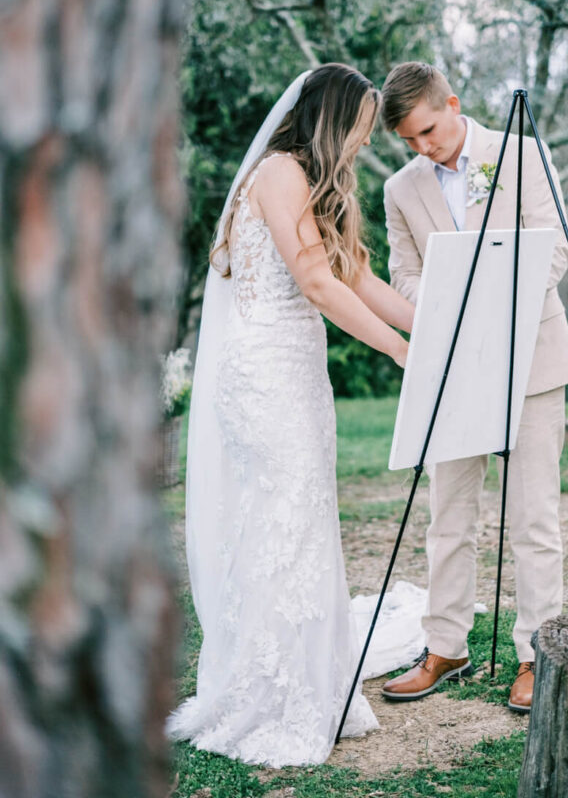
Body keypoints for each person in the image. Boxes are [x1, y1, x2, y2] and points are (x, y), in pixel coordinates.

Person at [165, 64, 415, 767]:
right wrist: (399, 352)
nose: (364, 146)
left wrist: (431, 326)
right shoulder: (279, 173)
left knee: (303, 519)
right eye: (361, 131)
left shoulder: (313, 184)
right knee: (284, 521)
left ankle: (308, 684)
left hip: (297, 371)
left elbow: (356, 275)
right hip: (263, 373)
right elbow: (312, 279)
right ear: (333, 121)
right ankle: (270, 696)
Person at [378, 62, 568, 712]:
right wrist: (444, 306)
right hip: (453, 368)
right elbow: (403, 271)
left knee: (534, 518)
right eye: (411, 141)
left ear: (453, 104)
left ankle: (535, 653)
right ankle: (446, 646)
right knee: (448, 515)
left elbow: (554, 250)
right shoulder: (400, 189)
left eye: (429, 132)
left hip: (533, 357)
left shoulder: (521, 153)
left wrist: (497, 306)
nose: (424, 148)